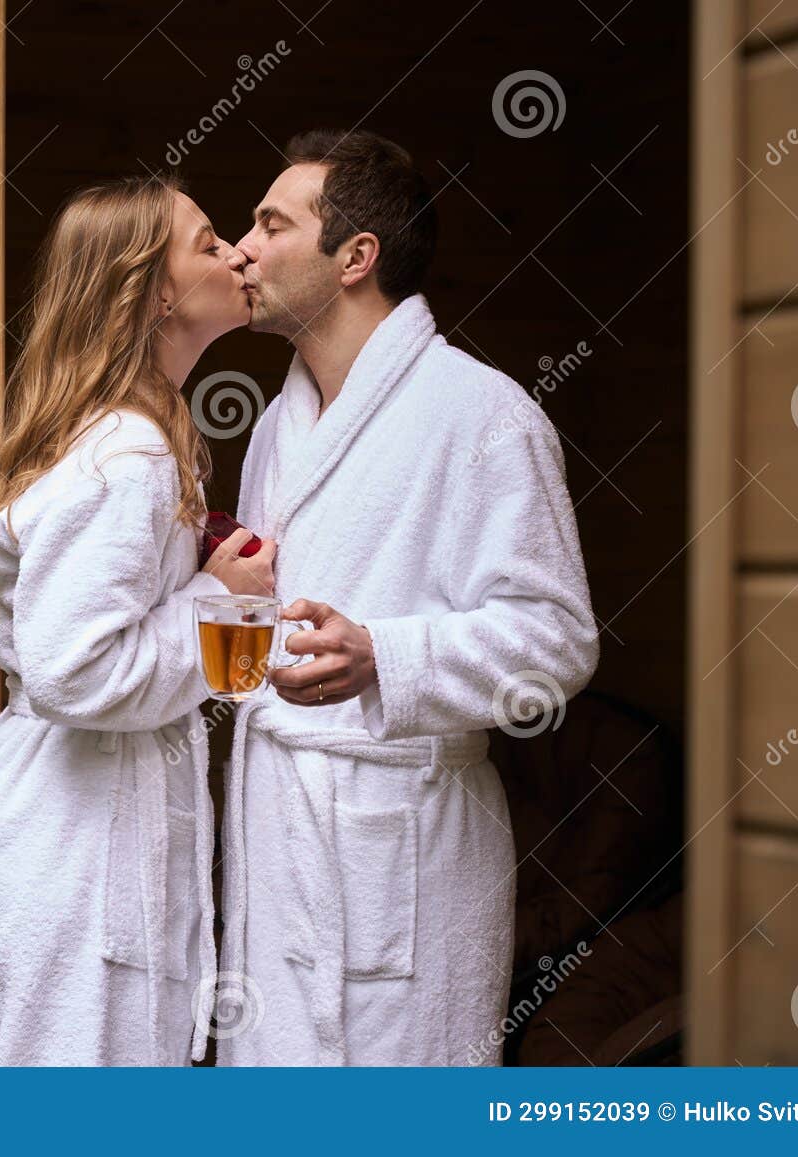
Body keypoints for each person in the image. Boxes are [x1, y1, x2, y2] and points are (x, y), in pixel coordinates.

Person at [217, 129, 600, 1065]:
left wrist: (386, 655)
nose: (242, 249)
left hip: (403, 851)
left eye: (272, 224)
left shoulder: (484, 413)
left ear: (355, 257)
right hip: (277, 828)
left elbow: (556, 642)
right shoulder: (278, 426)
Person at [0, 175, 275, 1065]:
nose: (236, 251)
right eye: (208, 242)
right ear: (156, 290)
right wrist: (220, 600)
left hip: (70, 827)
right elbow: (75, 668)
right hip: (69, 846)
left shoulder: (129, 432)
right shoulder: (130, 452)